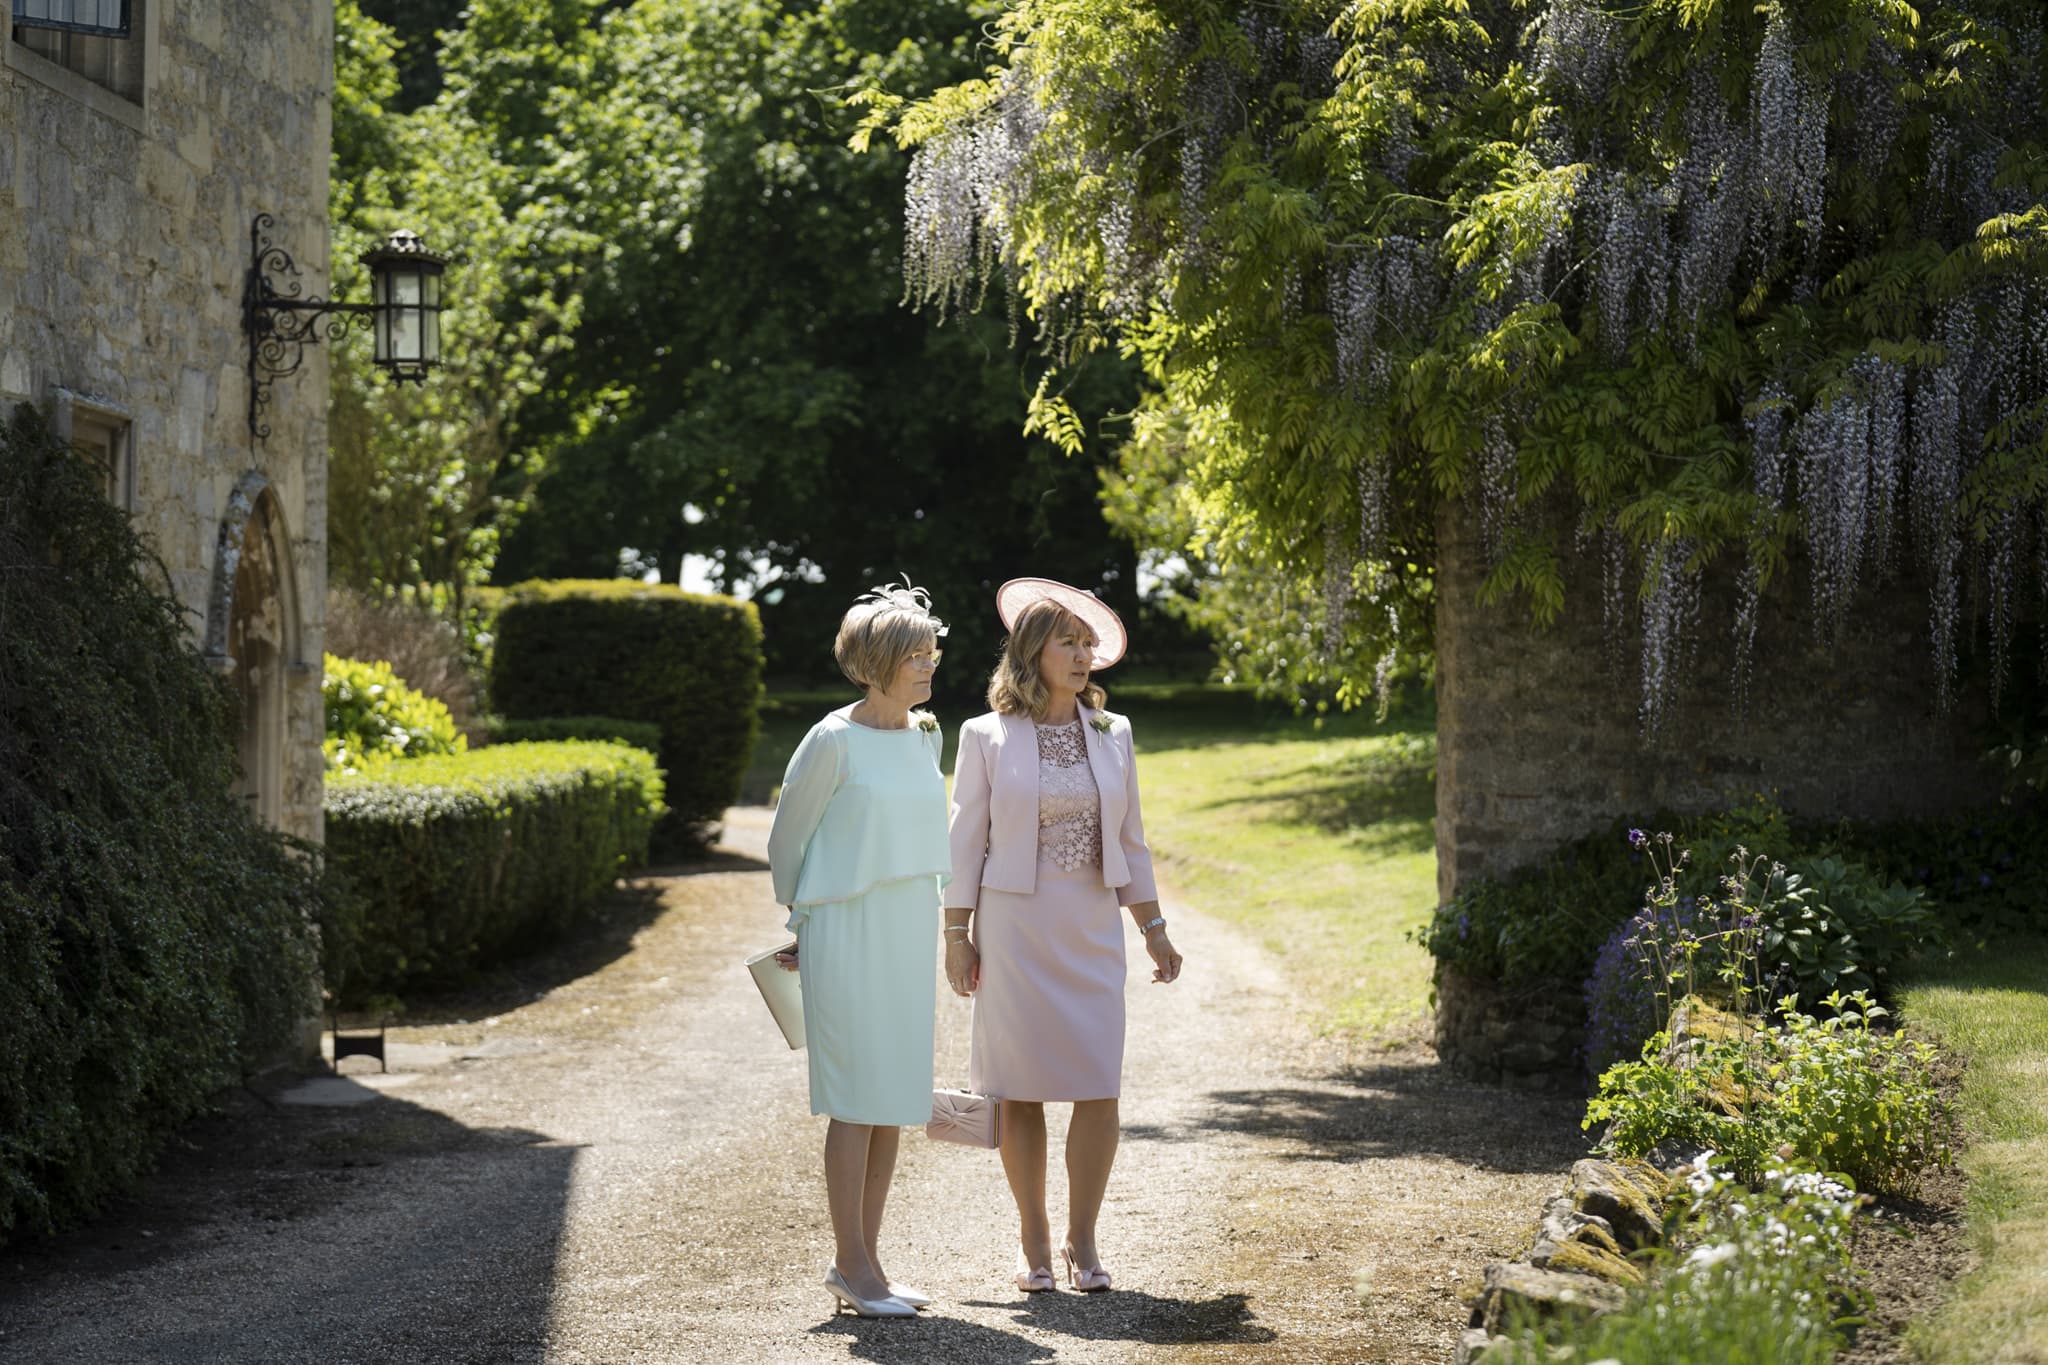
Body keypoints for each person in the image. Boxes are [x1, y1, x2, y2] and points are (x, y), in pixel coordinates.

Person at [942, 577, 1185, 1294]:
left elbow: (1132, 842)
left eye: (1088, 643)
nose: (1083, 655)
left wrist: (1154, 928)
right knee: (1018, 1091)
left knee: (1096, 1084)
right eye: (1067, 641)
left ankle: (1084, 1234)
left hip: (1089, 926)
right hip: (1015, 929)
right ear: (1031, 650)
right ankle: (1034, 1239)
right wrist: (956, 932)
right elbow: (965, 843)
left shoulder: (1116, 733)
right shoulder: (985, 735)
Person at [766, 580, 951, 1319]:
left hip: (908, 924)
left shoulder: (927, 733)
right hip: (845, 929)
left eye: (932, 653)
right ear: (875, 663)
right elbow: (788, 838)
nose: (929, 666)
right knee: (854, 1099)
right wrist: (804, 921)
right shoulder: (830, 739)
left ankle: (866, 1261)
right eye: (916, 655)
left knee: (891, 1099)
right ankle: (851, 1262)